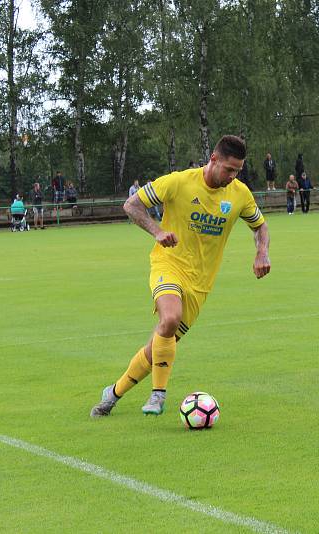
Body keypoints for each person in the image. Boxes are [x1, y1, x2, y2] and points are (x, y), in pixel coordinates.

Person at [90, 135, 271, 418]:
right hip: (169, 265)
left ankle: (112, 393)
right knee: (170, 318)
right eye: (229, 169)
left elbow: (260, 226)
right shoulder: (179, 181)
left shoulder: (240, 194)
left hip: (201, 284)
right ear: (213, 159)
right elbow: (132, 205)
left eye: (238, 170)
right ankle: (158, 394)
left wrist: (262, 252)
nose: (233, 176)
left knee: (160, 346)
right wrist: (158, 231)